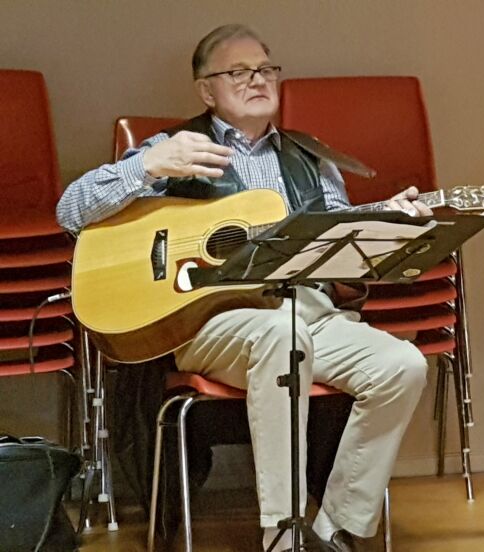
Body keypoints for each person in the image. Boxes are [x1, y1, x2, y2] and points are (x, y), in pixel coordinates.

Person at [57, 24, 431, 552]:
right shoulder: (176, 146)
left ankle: (335, 530)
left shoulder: (312, 159)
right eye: (239, 71)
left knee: (403, 366)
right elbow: (70, 210)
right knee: (283, 336)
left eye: (265, 68)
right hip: (211, 324)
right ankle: (283, 535)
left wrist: (385, 225)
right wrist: (145, 166)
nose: (258, 79)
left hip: (310, 313)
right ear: (207, 90)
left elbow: (338, 251)